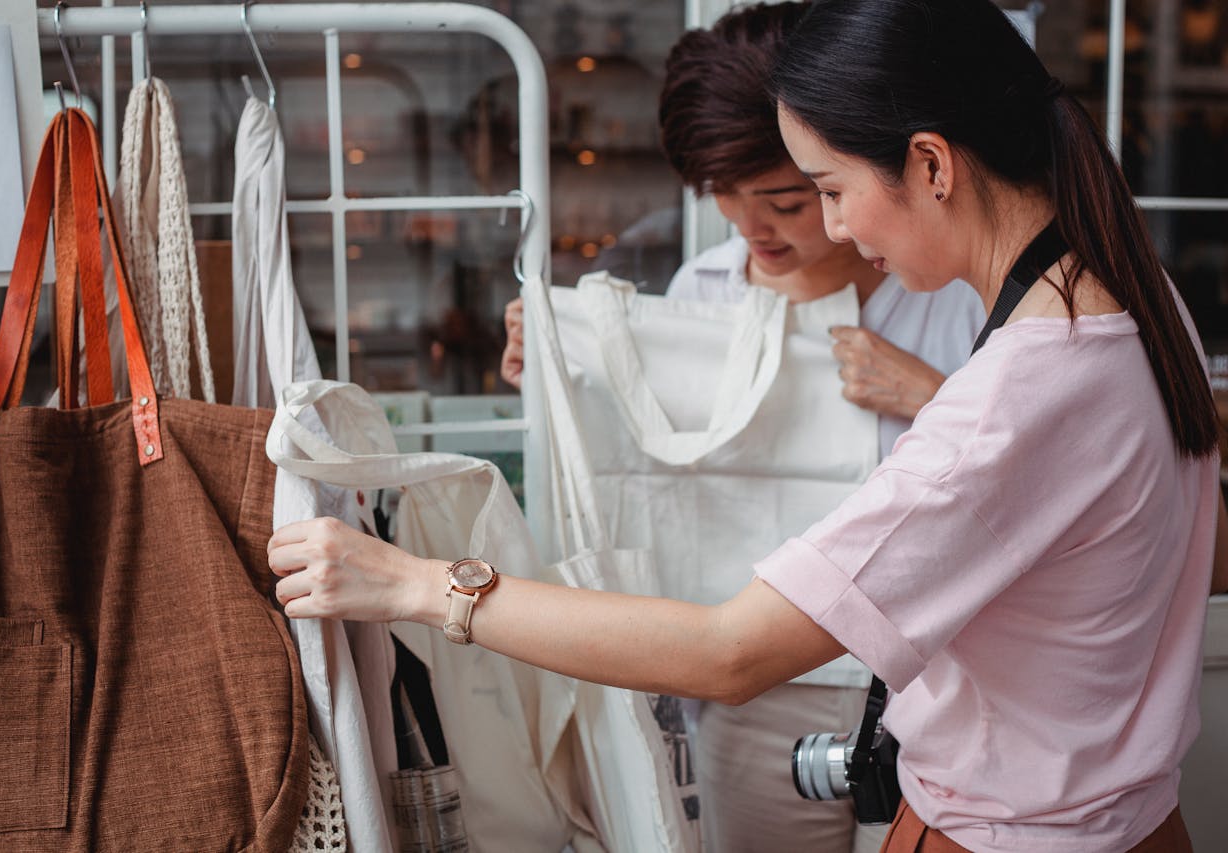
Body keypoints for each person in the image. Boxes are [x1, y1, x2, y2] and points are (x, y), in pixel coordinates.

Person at [269, 0, 1228, 850]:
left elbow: (730, 653)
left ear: (930, 164)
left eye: (829, 189)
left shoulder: (1016, 394)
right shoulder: (1131, 300)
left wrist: (419, 583)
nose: (837, 228)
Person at [504, 5, 984, 850]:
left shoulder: (953, 298)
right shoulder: (706, 290)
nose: (748, 227)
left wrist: (931, 397)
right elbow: (653, 477)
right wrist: (555, 374)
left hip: (935, 681)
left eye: (791, 201)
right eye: (722, 198)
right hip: (757, 687)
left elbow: (1032, 478)